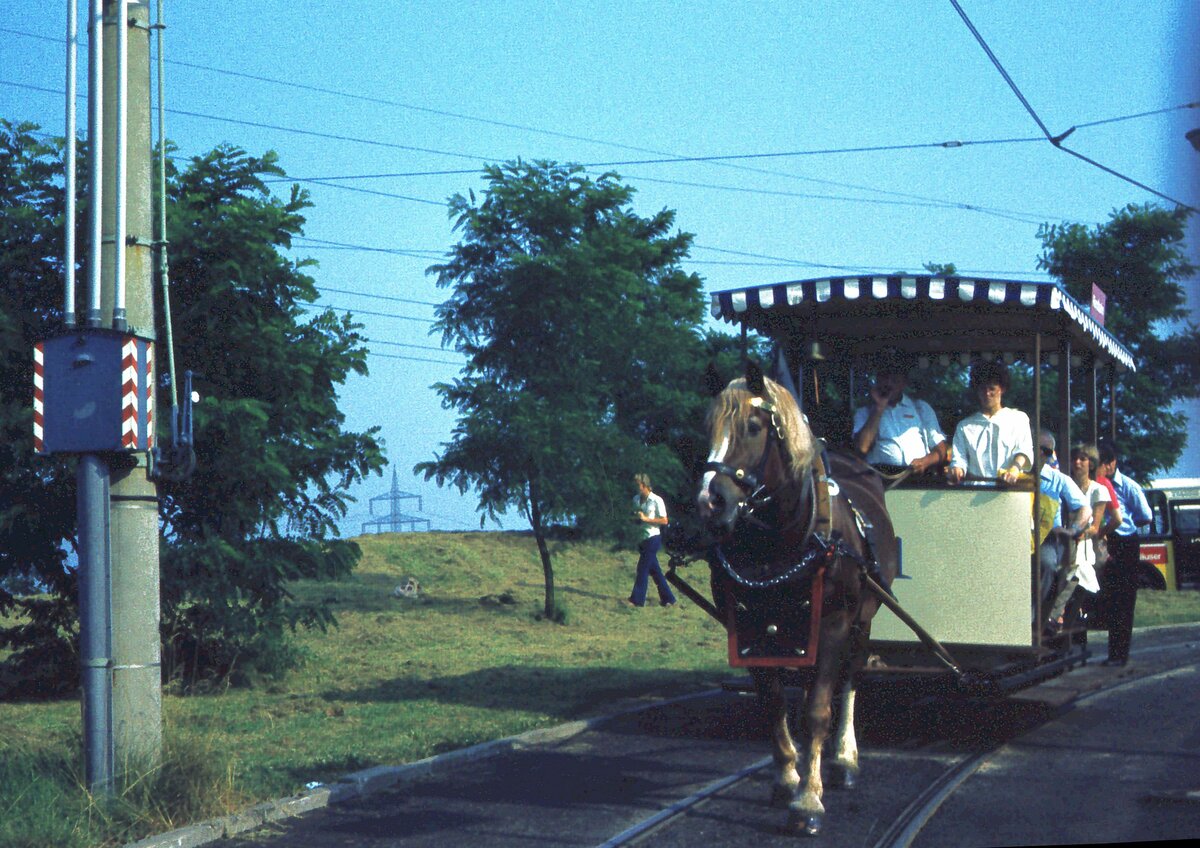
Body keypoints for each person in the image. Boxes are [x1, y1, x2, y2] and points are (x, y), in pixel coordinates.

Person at [1096, 443, 1152, 666]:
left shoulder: (1128, 486)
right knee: (1110, 599)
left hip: (1125, 543)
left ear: (1111, 464)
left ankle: (1121, 654)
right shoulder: (1100, 485)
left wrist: (1125, 526)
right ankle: (1113, 654)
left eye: (1099, 464)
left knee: (1125, 599)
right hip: (1106, 542)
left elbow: (1145, 515)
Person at [1045, 443, 1110, 629]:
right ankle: (1054, 617)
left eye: (1083, 459)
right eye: (1075, 459)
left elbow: (1095, 527)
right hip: (1062, 540)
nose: (1077, 463)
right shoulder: (1066, 484)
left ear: (1091, 463)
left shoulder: (1098, 490)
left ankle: (1055, 614)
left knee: (1074, 574)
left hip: (1082, 543)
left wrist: (1078, 533)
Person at [1034, 432, 1091, 632]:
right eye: (1036, 448)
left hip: (1045, 538)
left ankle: (1037, 618)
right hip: (1014, 535)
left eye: (1046, 451)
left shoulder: (1058, 479)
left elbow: (1085, 508)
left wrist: (1072, 530)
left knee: (1046, 563)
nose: (1040, 454)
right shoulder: (1017, 476)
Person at [852, 356, 948, 473]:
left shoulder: (921, 408)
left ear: (904, 383)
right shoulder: (864, 412)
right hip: (880, 481)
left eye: (894, 379)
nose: (888, 383)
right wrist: (879, 407)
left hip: (919, 480)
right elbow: (862, 448)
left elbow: (941, 450)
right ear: (877, 380)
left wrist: (925, 462)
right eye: (884, 377)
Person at [947, 360, 1033, 485]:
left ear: (1002, 389)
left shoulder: (1019, 419)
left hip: (1007, 491)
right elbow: (959, 460)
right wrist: (957, 469)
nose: (987, 393)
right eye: (983, 389)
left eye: (992, 388)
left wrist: (1014, 469)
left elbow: (1024, 451)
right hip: (973, 494)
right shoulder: (965, 426)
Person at [627, 474, 677, 608]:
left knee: (642, 568)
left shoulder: (656, 500)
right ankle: (669, 599)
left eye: (637, 485)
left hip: (653, 538)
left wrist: (646, 519)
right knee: (655, 571)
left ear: (644, 485)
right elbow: (635, 517)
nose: (636, 488)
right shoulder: (636, 499)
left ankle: (636, 600)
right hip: (641, 539)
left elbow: (664, 520)